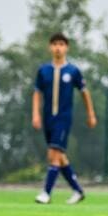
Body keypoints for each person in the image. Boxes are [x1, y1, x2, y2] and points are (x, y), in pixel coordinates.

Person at [33, 32, 97, 204]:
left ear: (66, 47)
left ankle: (46, 193)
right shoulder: (43, 71)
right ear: (50, 47)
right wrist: (36, 114)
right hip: (48, 118)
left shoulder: (73, 71)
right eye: (55, 44)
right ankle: (78, 190)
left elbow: (84, 93)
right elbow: (37, 93)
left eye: (61, 44)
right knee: (59, 157)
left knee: (54, 154)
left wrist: (91, 114)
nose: (58, 48)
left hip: (63, 118)